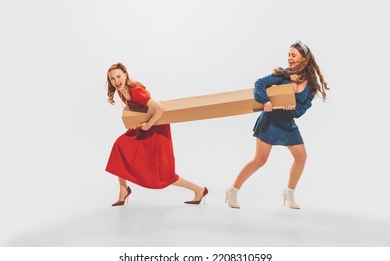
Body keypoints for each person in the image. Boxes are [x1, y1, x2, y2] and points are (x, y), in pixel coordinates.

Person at [225, 41, 329, 209]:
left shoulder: (311, 86)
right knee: (259, 160)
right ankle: (233, 190)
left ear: (304, 58)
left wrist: (292, 109)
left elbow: (302, 109)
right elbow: (259, 83)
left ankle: (289, 192)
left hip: (288, 123)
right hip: (270, 121)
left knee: (301, 157)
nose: (289, 58)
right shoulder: (283, 75)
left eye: (293, 55)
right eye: (288, 55)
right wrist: (265, 100)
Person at [105, 62, 208, 206]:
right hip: (145, 126)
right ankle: (123, 190)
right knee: (119, 147)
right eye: (112, 79)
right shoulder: (121, 90)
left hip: (156, 127)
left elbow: (160, 108)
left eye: (118, 76)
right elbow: (138, 110)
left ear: (125, 75)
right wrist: (135, 123)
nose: (116, 81)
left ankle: (199, 190)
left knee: (163, 173)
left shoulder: (135, 91)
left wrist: (147, 125)